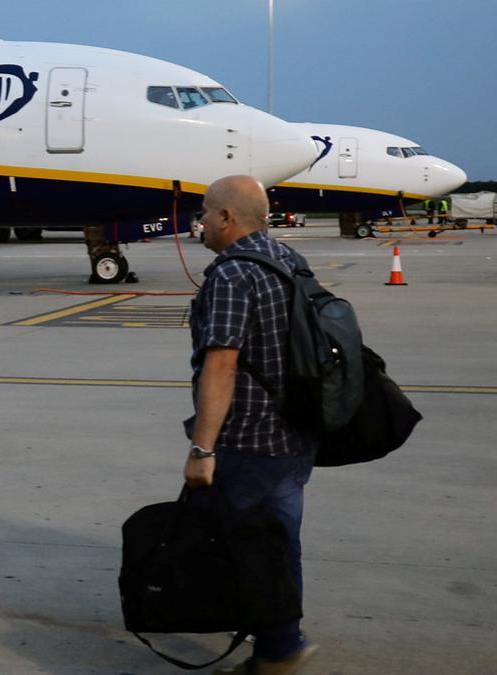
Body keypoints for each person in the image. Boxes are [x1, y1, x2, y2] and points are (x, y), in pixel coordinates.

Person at [184, 175, 320, 675]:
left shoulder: (232, 274)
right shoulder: (289, 260)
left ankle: (280, 647)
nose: (198, 221)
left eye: (204, 212)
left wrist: (202, 450)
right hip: (294, 433)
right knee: (281, 539)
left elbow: (222, 364)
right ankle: (280, 638)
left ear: (227, 217)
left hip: (248, 439)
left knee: (251, 548)